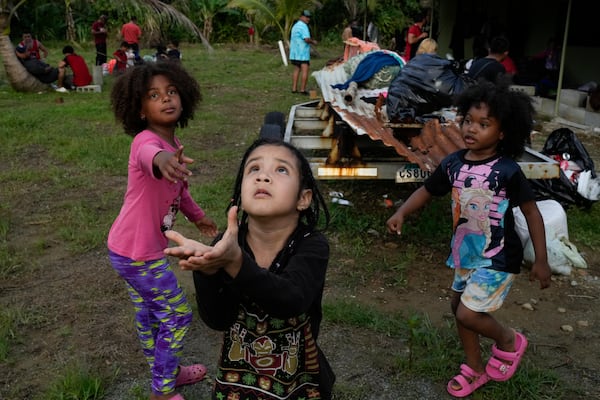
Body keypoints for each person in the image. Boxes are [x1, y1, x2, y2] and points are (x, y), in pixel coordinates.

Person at [386, 80, 552, 398]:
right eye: (468, 121)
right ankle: (475, 369)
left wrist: (541, 259)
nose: (471, 129)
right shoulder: (454, 163)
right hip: (466, 252)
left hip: (499, 256)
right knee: (458, 305)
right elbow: (427, 189)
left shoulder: (507, 171)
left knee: (467, 313)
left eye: (484, 124)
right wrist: (402, 213)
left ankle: (508, 340)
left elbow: (532, 213)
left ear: (503, 133)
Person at [164, 137, 336, 400]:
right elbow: (218, 319)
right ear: (240, 197)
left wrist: (235, 263)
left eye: (281, 170)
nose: (263, 177)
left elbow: (292, 299)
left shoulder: (311, 245)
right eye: (253, 169)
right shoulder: (229, 244)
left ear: (304, 198)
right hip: (237, 381)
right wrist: (207, 271)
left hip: (298, 381)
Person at [108, 61, 218, 400]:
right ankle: (163, 390)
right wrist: (163, 161)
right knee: (176, 315)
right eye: (154, 95)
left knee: (150, 314)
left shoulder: (174, 142)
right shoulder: (145, 142)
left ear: (183, 97)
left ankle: (166, 372)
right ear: (140, 109)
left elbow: (180, 192)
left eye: (171, 92)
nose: (166, 99)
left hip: (125, 249)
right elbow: (149, 157)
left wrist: (198, 218)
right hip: (138, 253)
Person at [290, 10, 317, 95]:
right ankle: (302, 90)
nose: (308, 19)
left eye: (308, 17)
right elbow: (306, 39)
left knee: (297, 69)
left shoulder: (295, 26)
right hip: (302, 53)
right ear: (301, 17)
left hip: (294, 53)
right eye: (306, 17)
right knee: (305, 70)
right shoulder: (304, 26)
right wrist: (313, 42)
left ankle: (294, 89)